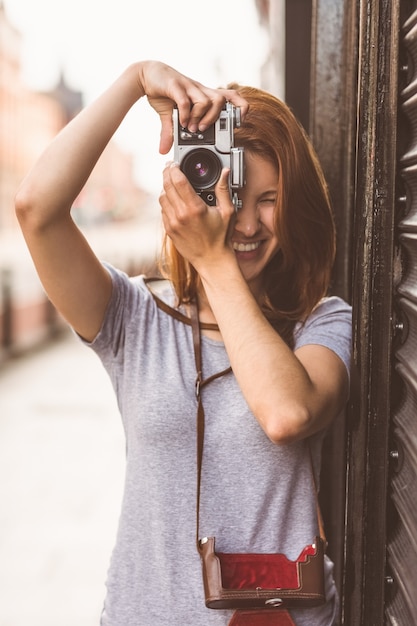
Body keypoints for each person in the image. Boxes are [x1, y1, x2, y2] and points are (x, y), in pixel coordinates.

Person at [15, 60, 351, 626]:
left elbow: (286, 412)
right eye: (230, 194)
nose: (245, 224)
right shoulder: (136, 317)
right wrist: (133, 81)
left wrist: (212, 261)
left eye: (269, 199)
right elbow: (37, 211)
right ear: (193, 192)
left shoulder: (319, 322)